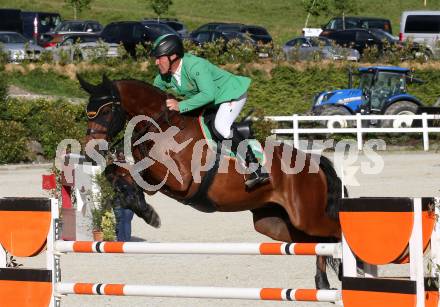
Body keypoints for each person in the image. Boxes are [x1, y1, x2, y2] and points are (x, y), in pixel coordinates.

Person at [151, 34, 269, 189]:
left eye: (160, 58)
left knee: (221, 126)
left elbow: (208, 94)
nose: (156, 62)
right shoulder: (164, 77)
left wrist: (180, 105)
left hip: (231, 93)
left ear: (173, 56)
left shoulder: (195, 66)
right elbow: (153, 96)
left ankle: (256, 167)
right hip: (213, 101)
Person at [105, 151, 160, 241]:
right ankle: (125, 241)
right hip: (131, 200)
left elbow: (109, 185)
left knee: (120, 221)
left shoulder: (111, 170)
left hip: (118, 199)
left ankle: (121, 241)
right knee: (126, 221)